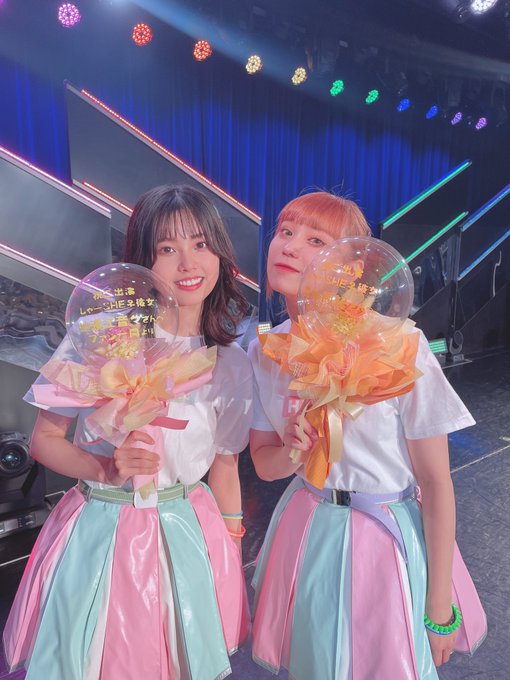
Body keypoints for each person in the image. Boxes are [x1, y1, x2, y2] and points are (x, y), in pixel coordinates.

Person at [3, 185, 253, 680]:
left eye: (201, 244)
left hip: (190, 528)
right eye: (167, 248)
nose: (188, 263)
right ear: (142, 260)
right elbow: (44, 441)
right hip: (104, 528)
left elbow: (225, 467)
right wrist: (105, 468)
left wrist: (231, 554)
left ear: (221, 256)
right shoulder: (102, 337)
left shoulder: (231, 363)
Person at [248, 191, 487, 679]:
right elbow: (264, 466)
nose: (290, 246)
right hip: (308, 527)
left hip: (385, 539)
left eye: (316, 240)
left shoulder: (398, 343)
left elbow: (436, 482)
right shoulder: (267, 351)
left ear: (350, 267)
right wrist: (293, 451)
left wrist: (438, 604)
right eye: (285, 231)